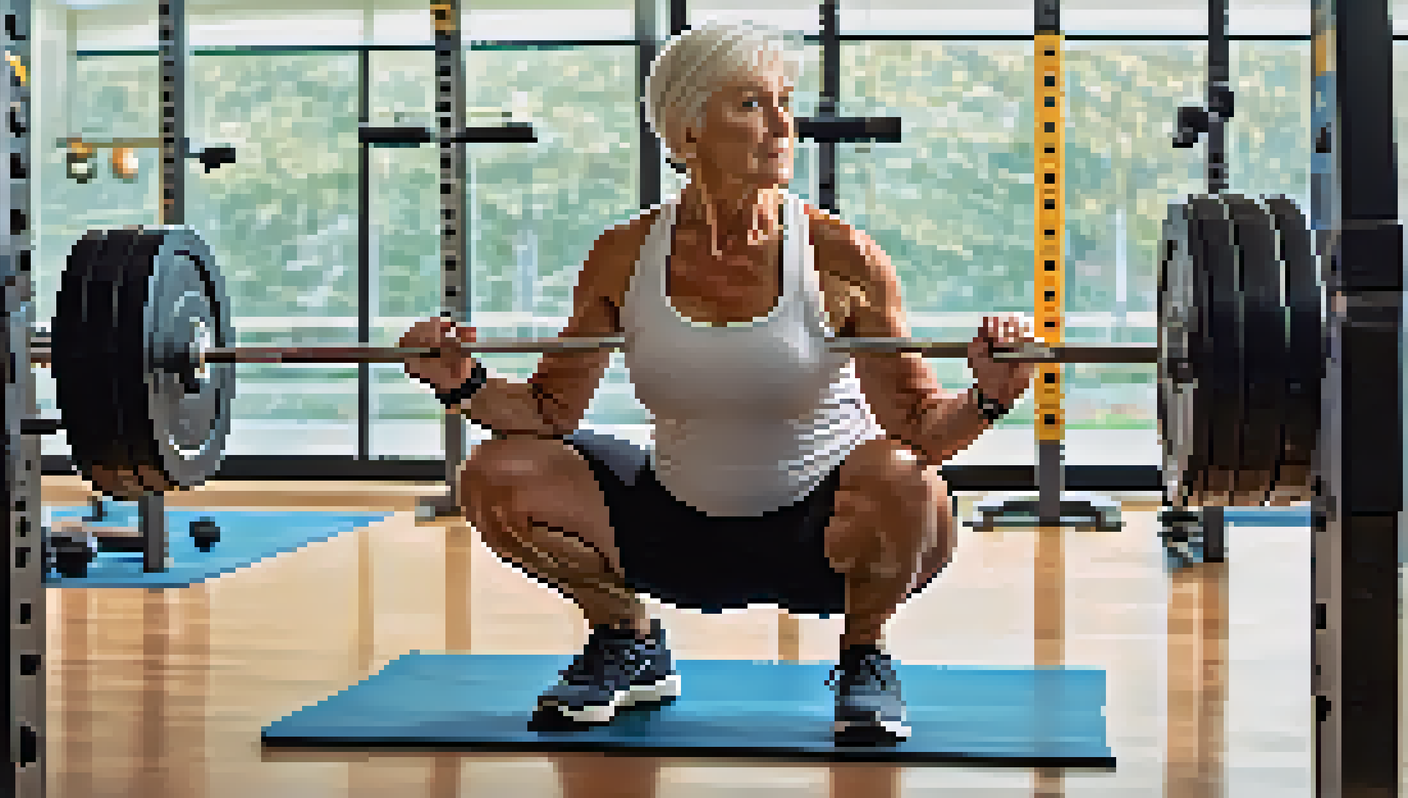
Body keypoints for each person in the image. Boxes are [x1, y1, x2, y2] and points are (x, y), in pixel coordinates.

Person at [398, 19, 1035, 745]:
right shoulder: (623, 255)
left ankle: (865, 656)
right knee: (496, 472)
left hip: (821, 538)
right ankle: (626, 639)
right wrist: (462, 382)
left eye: (784, 103)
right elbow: (547, 409)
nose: (782, 126)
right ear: (687, 130)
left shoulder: (841, 256)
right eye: (751, 105)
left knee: (906, 477)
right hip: (674, 527)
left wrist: (990, 393)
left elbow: (920, 425)